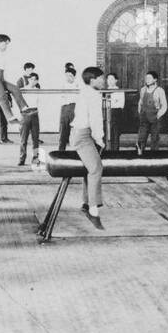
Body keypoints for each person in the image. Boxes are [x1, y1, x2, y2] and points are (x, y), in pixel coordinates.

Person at [72, 66, 107, 228]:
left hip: (80, 134)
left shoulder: (85, 91)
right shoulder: (93, 95)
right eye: (101, 78)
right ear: (92, 80)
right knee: (96, 168)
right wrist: (100, 139)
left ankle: (86, 203)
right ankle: (93, 208)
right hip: (84, 136)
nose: (103, 81)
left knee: (89, 169)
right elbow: (95, 120)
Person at [0, 33, 28, 128]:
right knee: (2, 95)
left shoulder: (4, 54)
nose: (6, 46)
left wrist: (4, 80)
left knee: (15, 88)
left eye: (7, 44)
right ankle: (10, 117)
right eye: (5, 44)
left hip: (0, 76)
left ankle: (24, 108)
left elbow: (3, 70)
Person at [135, 70, 168, 153]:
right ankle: (140, 155)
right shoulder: (143, 90)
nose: (147, 80)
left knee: (155, 138)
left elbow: (164, 105)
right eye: (146, 78)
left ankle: (154, 157)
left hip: (155, 118)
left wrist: (158, 115)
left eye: (149, 78)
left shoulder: (160, 90)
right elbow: (140, 102)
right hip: (144, 117)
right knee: (141, 137)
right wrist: (140, 112)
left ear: (155, 79)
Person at [17, 73, 43, 166]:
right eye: (31, 79)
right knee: (23, 139)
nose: (33, 81)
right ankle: (21, 159)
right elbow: (19, 102)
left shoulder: (38, 91)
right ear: (29, 80)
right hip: (25, 114)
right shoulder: (23, 90)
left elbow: (40, 103)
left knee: (35, 139)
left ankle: (35, 159)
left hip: (35, 114)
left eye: (35, 79)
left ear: (37, 81)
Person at [57, 63, 79, 151]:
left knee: (75, 133)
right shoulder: (62, 85)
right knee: (63, 132)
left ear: (74, 76)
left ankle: (76, 153)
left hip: (74, 108)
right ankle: (60, 153)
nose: (68, 78)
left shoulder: (78, 85)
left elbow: (78, 99)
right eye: (66, 76)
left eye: (70, 76)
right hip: (65, 108)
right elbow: (61, 98)